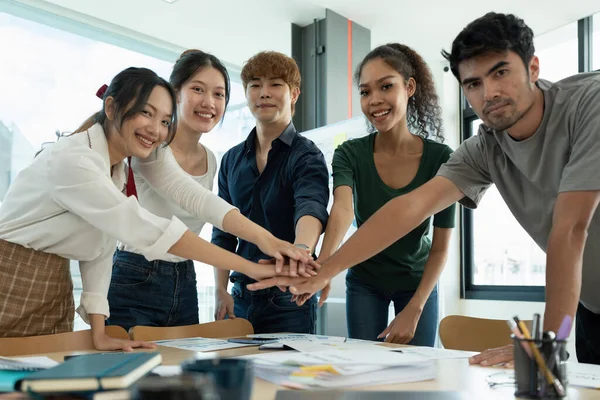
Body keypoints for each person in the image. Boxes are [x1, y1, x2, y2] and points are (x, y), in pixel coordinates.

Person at [248, 12, 600, 365]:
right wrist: (324, 270)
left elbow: (570, 228)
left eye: (501, 72)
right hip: (589, 307)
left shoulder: (589, 104)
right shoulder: (485, 149)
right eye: (473, 84)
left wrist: (547, 342)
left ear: (533, 68)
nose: (489, 93)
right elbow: (407, 210)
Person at [0, 67, 313, 351]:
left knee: (36, 380)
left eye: (164, 121)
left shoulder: (121, 167)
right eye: (145, 113)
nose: (156, 129)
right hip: (9, 274)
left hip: (55, 287)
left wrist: (268, 241)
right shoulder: (75, 160)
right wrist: (254, 267)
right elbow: (153, 230)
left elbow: (101, 250)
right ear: (111, 107)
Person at [106, 50, 311, 331]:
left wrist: (221, 286)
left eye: (219, 94)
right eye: (198, 89)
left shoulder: (211, 159)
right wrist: (267, 242)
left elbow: (213, 221)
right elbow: (201, 203)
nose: (209, 102)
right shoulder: (150, 147)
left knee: (182, 372)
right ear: (174, 93)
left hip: (185, 280)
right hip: (134, 274)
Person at [300, 43, 454, 345]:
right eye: (365, 92)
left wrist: (417, 306)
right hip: (365, 281)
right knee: (364, 371)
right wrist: (324, 268)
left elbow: (440, 247)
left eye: (386, 86)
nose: (374, 101)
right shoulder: (350, 153)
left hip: (417, 282)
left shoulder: (441, 158)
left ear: (409, 87)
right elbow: (342, 210)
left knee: (416, 375)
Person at [211, 51, 330, 333]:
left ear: (295, 93)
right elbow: (223, 230)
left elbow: (311, 207)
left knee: (290, 376)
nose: (263, 93)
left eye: (275, 84)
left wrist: (300, 252)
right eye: (255, 85)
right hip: (239, 296)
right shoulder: (231, 160)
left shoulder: (307, 155)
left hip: (288, 295)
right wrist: (220, 289)